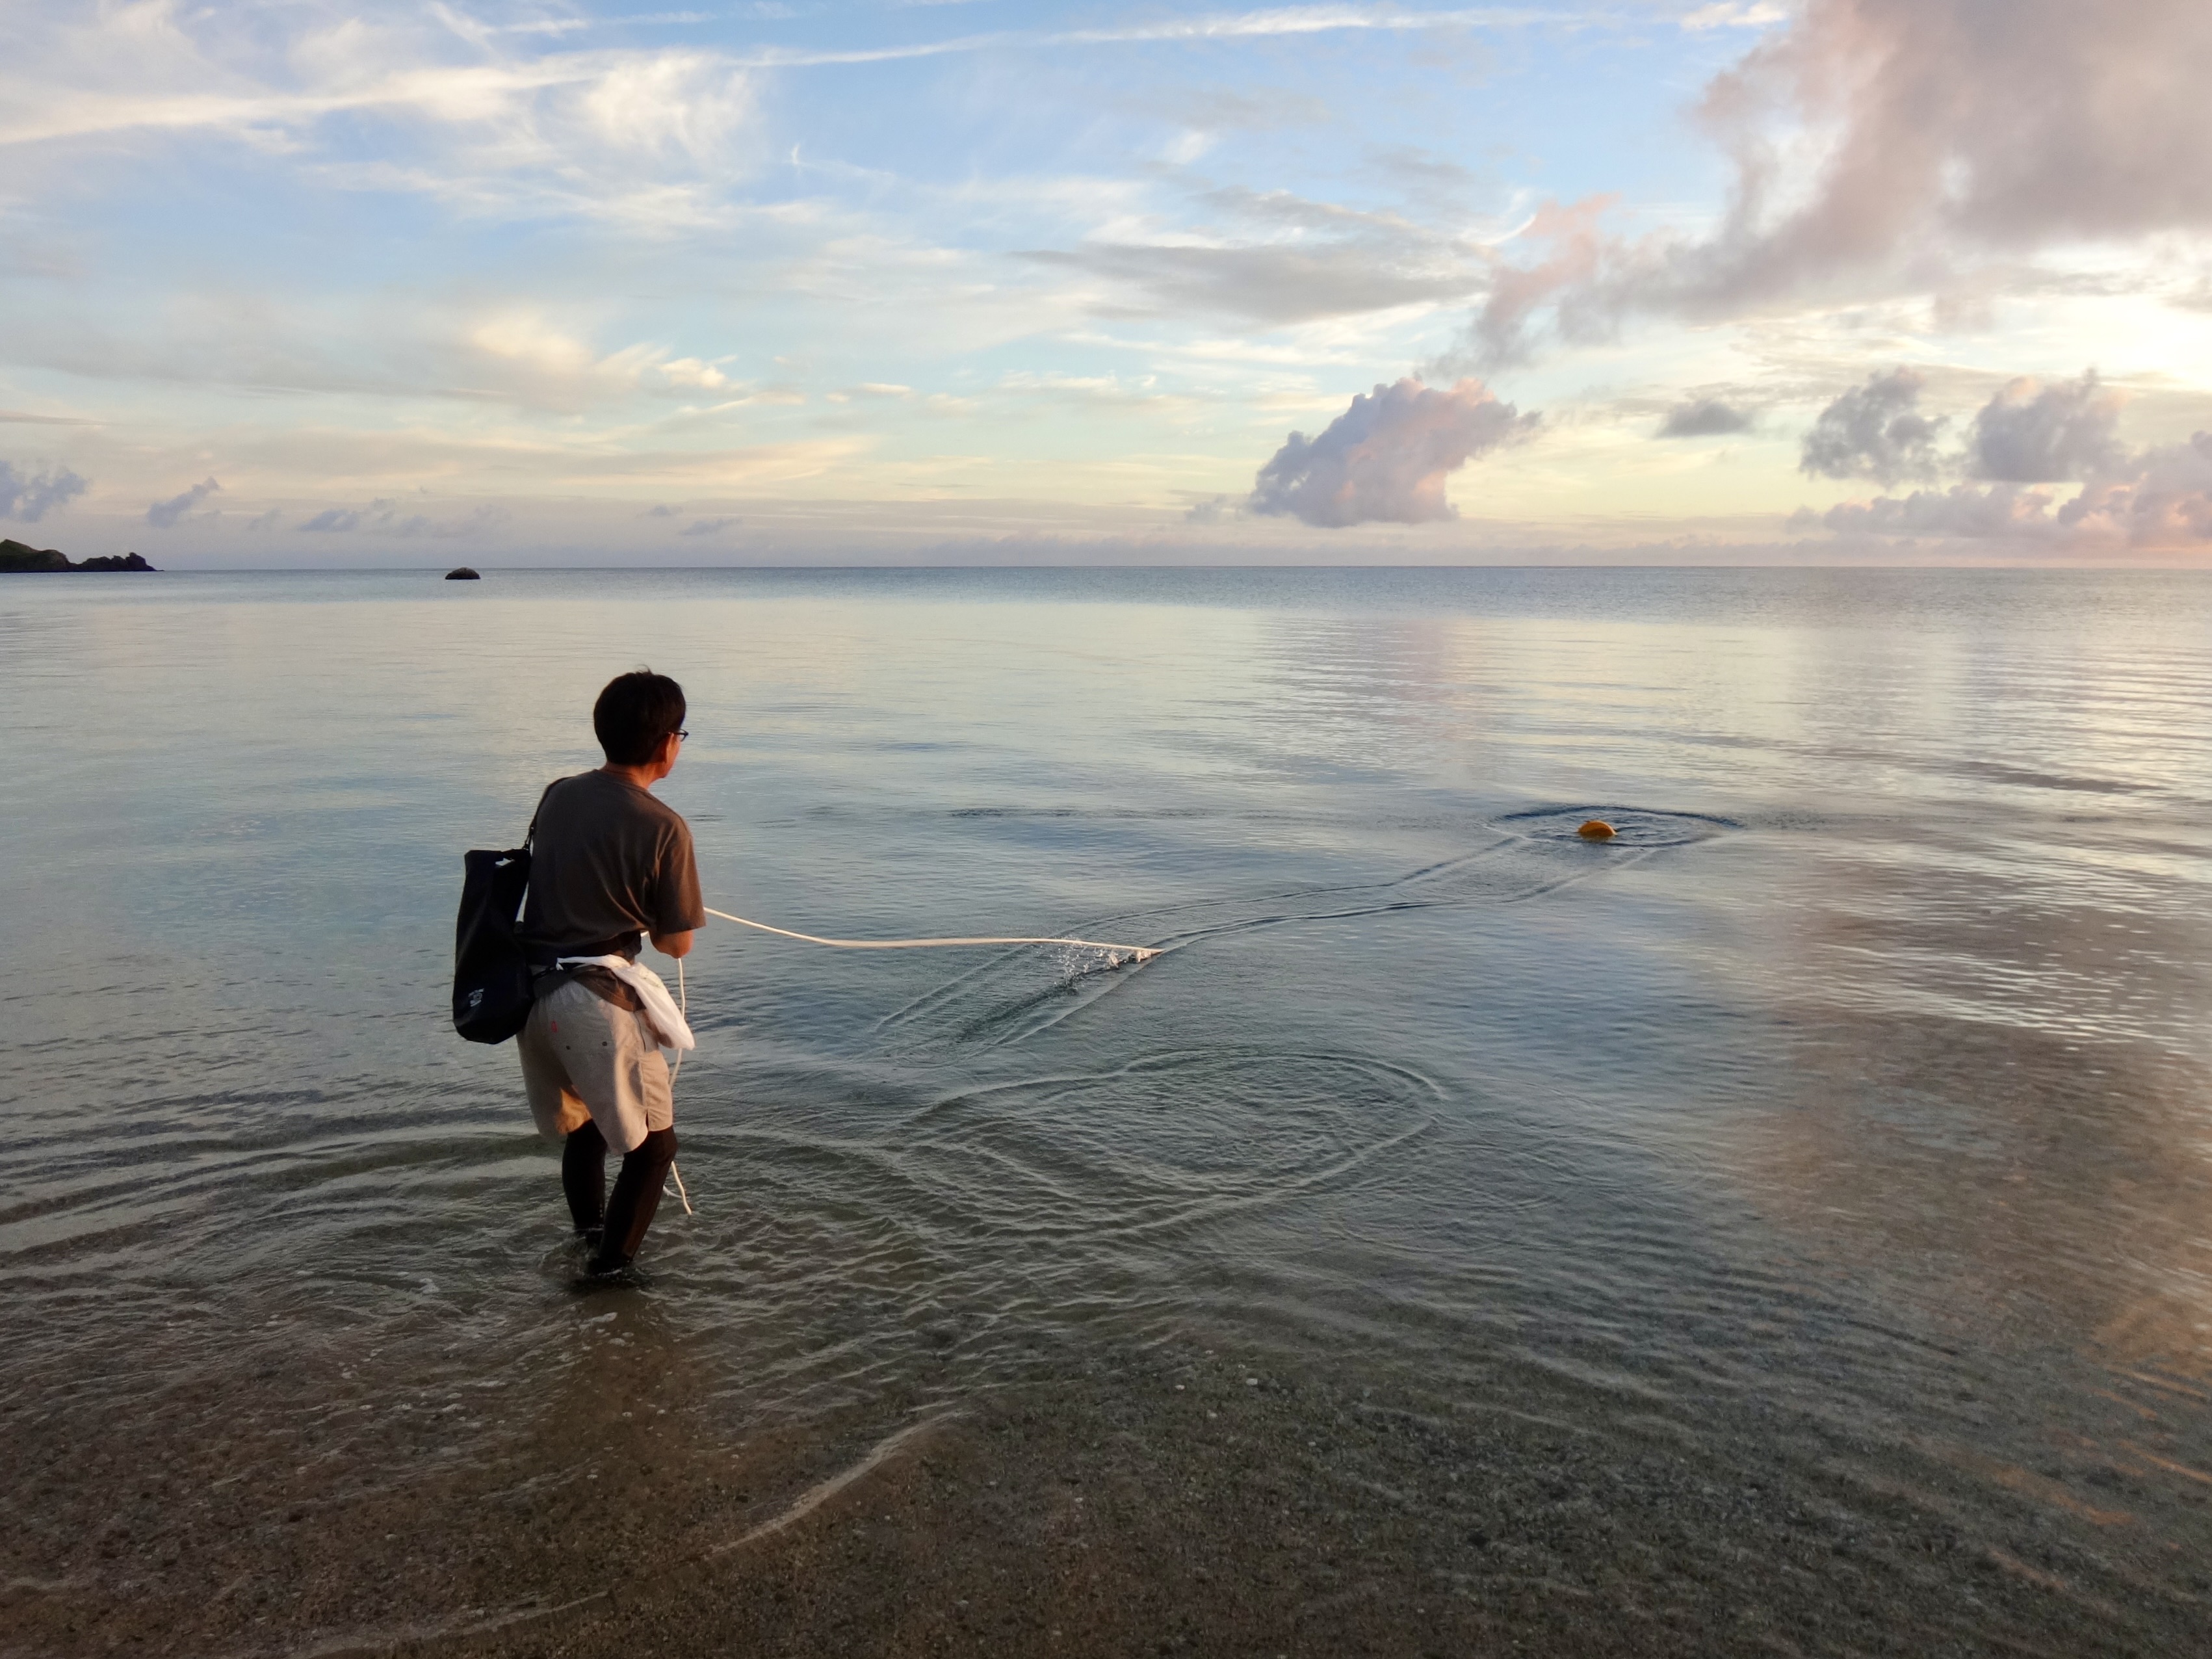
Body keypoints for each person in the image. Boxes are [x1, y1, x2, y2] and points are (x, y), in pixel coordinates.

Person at [516, 670, 705, 1281]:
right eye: (680, 734)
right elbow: (675, 944)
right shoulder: (664, 826)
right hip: (595, 1004)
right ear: (667, 745)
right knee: (655, 1148)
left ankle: (589, 1235)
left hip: (536, 996)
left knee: (592, 1124)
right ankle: (609, 1276)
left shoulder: (558, 793)